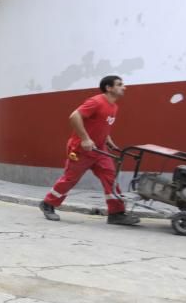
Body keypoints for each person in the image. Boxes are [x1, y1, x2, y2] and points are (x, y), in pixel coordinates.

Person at [39, 75, 140, 225]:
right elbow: (74, 116)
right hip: (81, 149)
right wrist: (85, 139)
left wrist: (108, 140)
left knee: (110, 178)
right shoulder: (96, 102)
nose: (124, 87)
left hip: (99, 150)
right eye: (119, 84)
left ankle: (116, 213)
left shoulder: (114, 106)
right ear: (109, 88)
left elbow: (101, 125)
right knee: (70, 179)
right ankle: (48, 204)